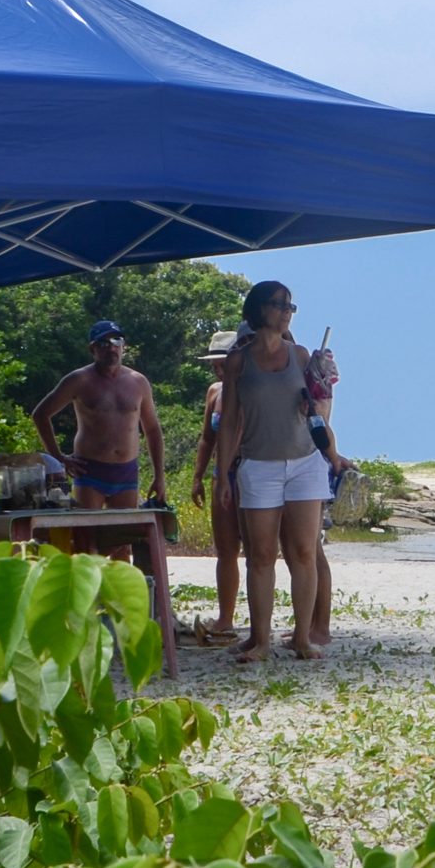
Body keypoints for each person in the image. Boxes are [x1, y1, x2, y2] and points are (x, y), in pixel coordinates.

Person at [217, 282, 329, 662]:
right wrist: (221, 476)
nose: (286, 312)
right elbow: (230, 421)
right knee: (260, 555)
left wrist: (318, 390)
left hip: (304, 462)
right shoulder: (238, 361)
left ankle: (301, 637)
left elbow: (317, 408)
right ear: (258, 309)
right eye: (279, 304)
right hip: (258, 464)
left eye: (290, 306)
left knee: (303, 552)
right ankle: (261, 640)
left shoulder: (299, 356)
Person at [30, 319, 165, 508]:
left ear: (123, 346)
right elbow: (40, 414)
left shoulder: (138, 382)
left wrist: (159, 476)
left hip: (126, 471)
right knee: (87, 533)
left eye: (116, 342)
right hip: (90, 471)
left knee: (123, 532)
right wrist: (59, 458)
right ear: (92, 349)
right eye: (103, 344)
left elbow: (152, 429)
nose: (111, 348)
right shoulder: (79, 380)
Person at [188, 330, 243, 643]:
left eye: (223, 362)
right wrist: (198, 476)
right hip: (222, 475)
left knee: (260, 553)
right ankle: (226, 617)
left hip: (249, 473)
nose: (218, 369)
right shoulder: (214, 392)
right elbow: (207, 438)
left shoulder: (253, 389)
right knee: (225, 550)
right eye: (214, 364)